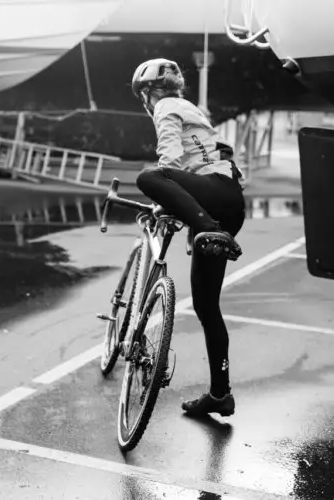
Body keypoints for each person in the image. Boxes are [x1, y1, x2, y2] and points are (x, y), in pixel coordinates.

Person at [131, 58, 246, 417]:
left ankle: (208, 228)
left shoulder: (165, 106)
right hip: (227, 204)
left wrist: (160, 196)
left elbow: (171, 162)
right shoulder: (194, 109)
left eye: (143, 97)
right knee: (206, 307)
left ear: (148, 93)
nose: (146, 103)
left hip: (212, 201)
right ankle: (219, 394)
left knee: (149, 177)